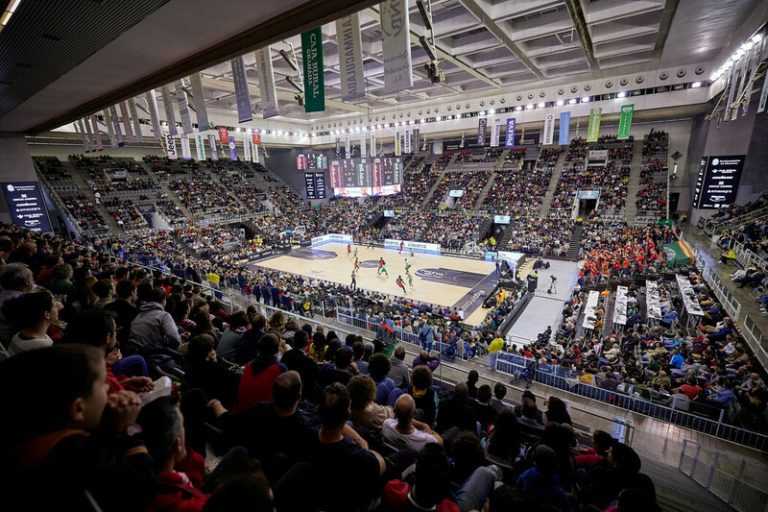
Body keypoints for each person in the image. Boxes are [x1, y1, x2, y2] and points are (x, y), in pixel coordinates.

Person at [0, 344, 155, 511]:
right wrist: (129, 428)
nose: (109, 388)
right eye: (104, 384)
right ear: (78, 408)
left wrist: (123, 387)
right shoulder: (74, 452)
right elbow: (143, 492)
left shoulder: (36, 435)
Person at [310, 383, 387, 512]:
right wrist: (368, 451)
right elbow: (382, 465)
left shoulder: (307, 428)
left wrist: (358, 439)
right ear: (347, 415)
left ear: (318, 410)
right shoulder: (356, 456)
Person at [233, 333, 286, 412]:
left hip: (239, 413)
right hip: (262, 418)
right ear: (277, 350)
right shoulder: (279, 369)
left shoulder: (248, 366)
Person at [3, 289, 62, 357]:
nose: (58, 307)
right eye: (55, 304)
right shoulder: (42, 346)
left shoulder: (18, 335)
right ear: (47, 314)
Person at [129, 288, 182, 352]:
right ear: (163, 301)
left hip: (132, 351)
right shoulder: (164, 315)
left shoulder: (139, 315)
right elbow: (175, 339)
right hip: (150, 354)